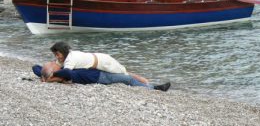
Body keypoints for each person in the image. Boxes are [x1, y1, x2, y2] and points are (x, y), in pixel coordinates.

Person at [32, 62, 171, 92]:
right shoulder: (67, 73)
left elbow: (35, 67)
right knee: (128, 78)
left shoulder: (60, 71)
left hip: (99, 73)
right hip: (101, 77)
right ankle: (154, 88)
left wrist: (49, 75)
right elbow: (67, 73)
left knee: (128, 75)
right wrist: (54, 74)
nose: (54, 62)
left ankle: (150, 84)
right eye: (52, 63)